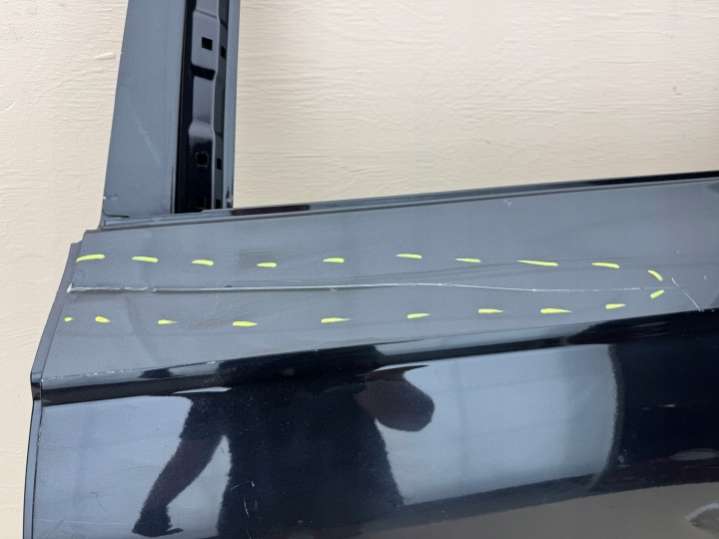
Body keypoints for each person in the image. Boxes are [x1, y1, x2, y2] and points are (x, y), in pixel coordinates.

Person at [133, 363, 435, 538]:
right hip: (332, 500)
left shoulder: (227, 378)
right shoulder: (228, 379)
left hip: (279, 503)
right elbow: (414, 418)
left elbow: (190, 458)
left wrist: (153, 509)